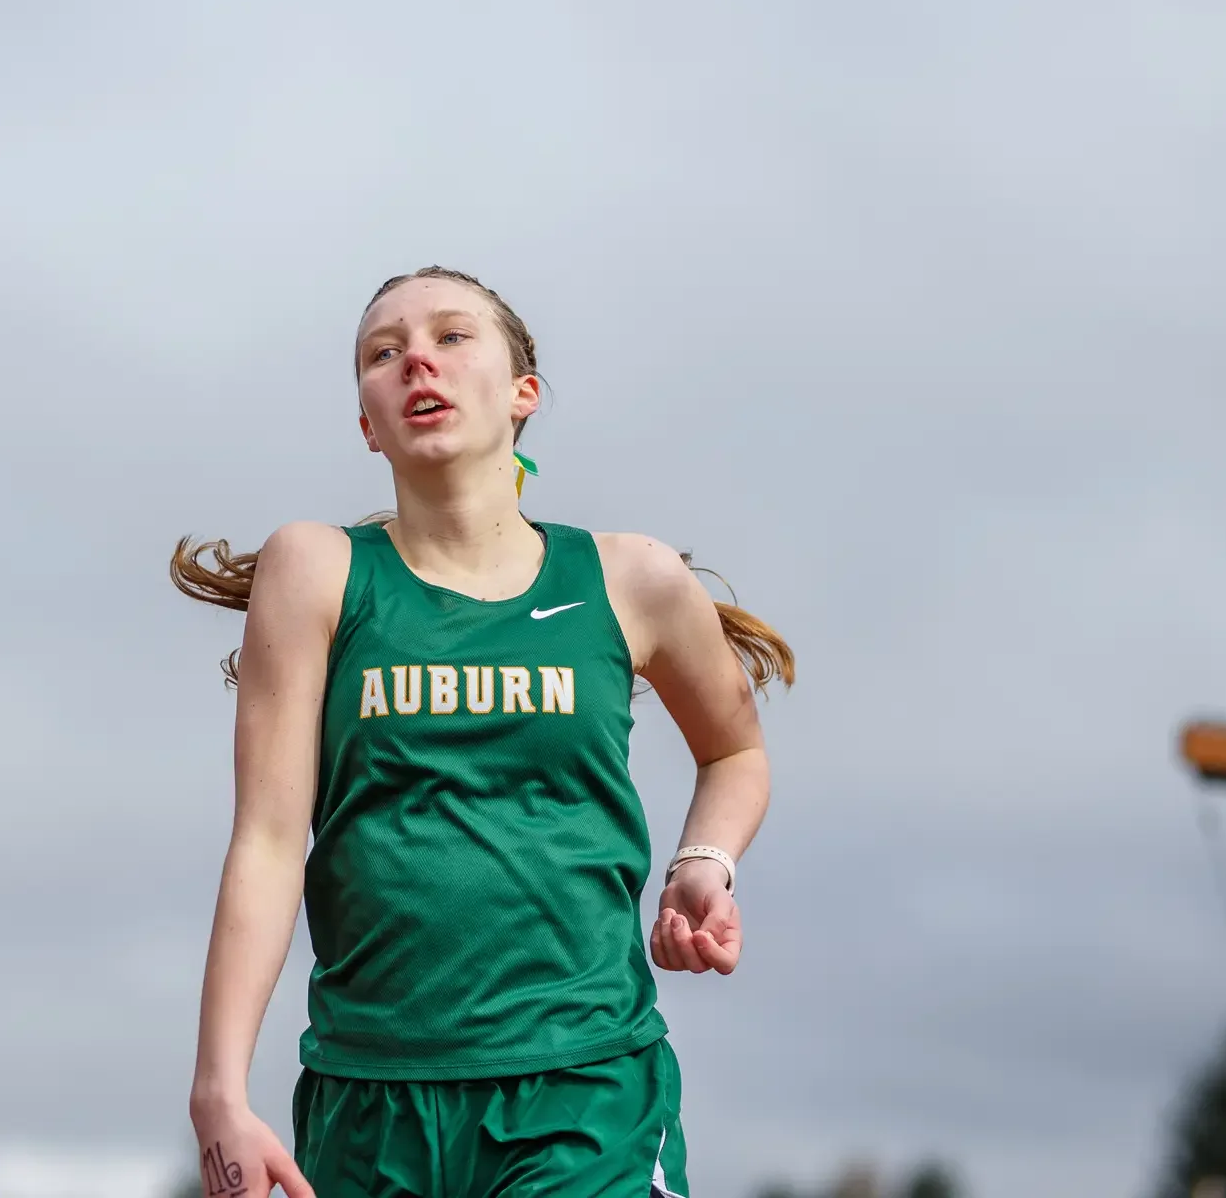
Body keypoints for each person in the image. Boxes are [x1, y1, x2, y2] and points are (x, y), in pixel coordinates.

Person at [169, 266, 793, 1198]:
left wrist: (704, 858)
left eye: (453, 337)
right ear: (367, 423)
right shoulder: (317, 571)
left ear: (523, 394)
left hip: (584, 1087)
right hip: (369, 1099)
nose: (416, 357)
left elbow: (734, 751)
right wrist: (218, 1092)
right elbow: (266, 839)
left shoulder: (632, 579)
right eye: (383, 353)